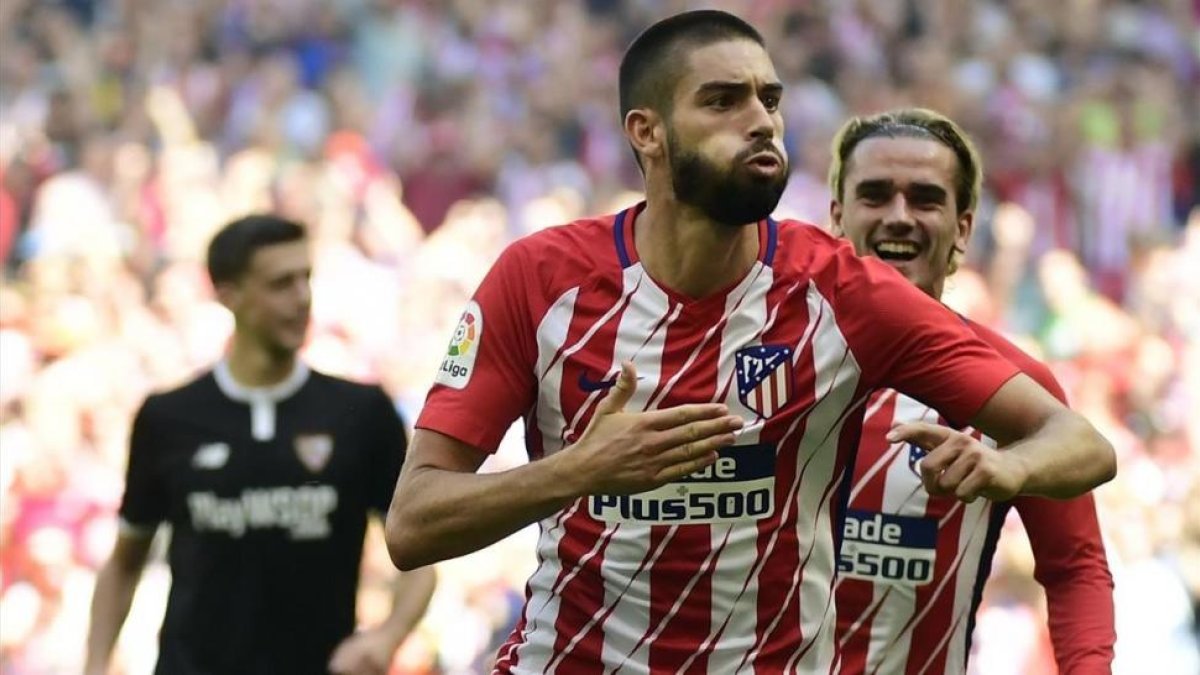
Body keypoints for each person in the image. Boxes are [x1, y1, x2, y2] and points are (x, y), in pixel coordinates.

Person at [385, 10, 1115, 672]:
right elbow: (413, 522)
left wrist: (1008, 468)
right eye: (723, 100)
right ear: (648, 132)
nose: (762, 120)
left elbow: (1081, 444)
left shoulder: (845, 293)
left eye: (770, 98)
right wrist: (577, 470)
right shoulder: (538, 280)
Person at [827, 108, 1116, 674]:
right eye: (876, 195)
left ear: (962, 227)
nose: (899, 217)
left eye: (926, 199)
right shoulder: (773, 356)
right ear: (837, 216)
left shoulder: (1015, 389)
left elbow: (1074, 567)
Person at [85, 215, 435, 675]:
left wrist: (387, 636)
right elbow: (125, 561)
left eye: (305, 278)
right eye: (279, 284)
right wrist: (94, 665)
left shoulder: (361, 413)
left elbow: (420, 555)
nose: (301, 298)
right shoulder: (168, 418)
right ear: (229, 295)